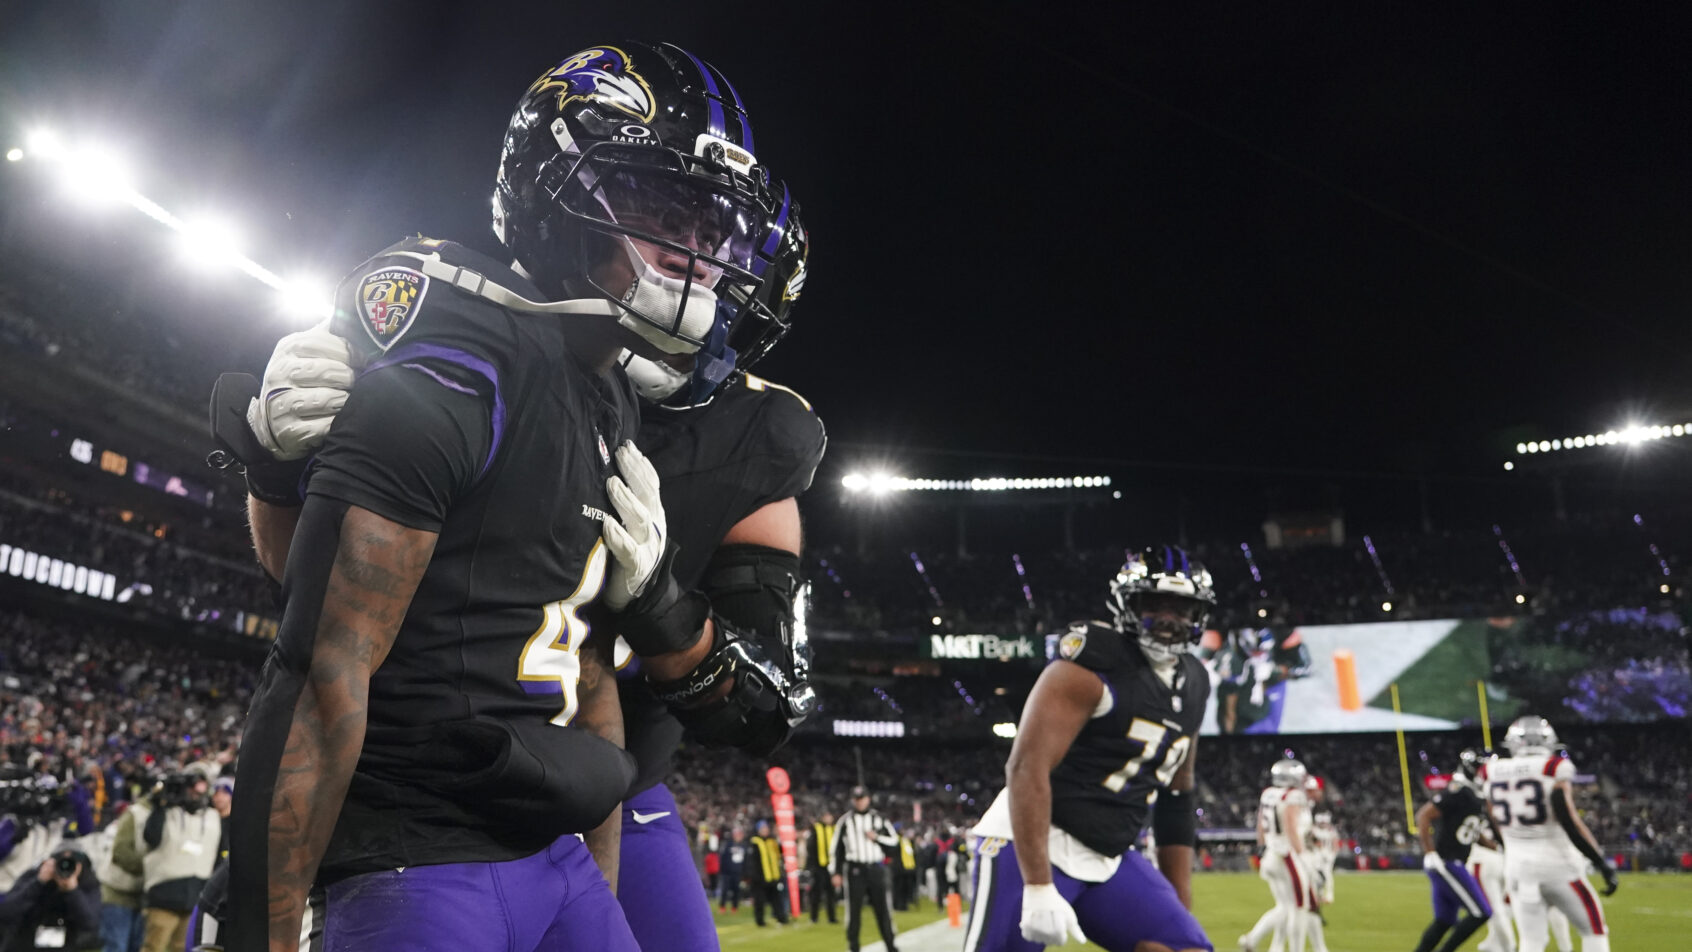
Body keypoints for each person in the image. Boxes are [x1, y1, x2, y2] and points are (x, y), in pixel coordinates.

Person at [209, 42, 820, 952]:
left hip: (573, 806)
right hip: (422, 821)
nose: (698, 257)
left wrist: (656, 602)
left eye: (714, 229)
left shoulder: (689, 413)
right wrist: (275, 474)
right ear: (556, 197)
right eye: (659, 209)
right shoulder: (467, 351)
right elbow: (317, 636)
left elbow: (731, 699)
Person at [966, 546, 1214, 952]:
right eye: (1154, 604)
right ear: (1126, 605)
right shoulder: (1093, 663)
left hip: (1108, 856)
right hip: (1033, 840)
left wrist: (1177, 901)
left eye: (1181, 608)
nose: (1168, 619)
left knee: (1185, 947)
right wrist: (1038, 885)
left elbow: (1177, 795)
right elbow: (1026, 767)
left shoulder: (1196, 683)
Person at [1484, 717, 1616, 952]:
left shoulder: (1492, 771)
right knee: (1594, 930)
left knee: (1531, 941)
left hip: (1517, 869)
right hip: (1557, 867)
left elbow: (1493, 818)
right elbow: (1569, 821)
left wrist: (1512, 845)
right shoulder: (1553, 768)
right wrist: (1600, 862)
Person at [1412, 749, 1497, 952]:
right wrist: (1430, 852)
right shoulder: (1458, 790)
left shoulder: (1475, 794)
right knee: (1481, 913)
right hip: (1447, 862)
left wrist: (1496, 848)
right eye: (1484, 769)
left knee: (1444, 920)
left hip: (1453, 861)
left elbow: (1471, 830)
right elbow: (1423, 815)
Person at [131, 773, 218, 952]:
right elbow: (151, 838)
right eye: (191, 789)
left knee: (182, 948)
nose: (194, 795)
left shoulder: (211, 816)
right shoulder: (167, 812)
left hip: (196, 895)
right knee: (154, 947)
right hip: (164, 894)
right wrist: (159, 804)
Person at [1241, 759, 1313, 952]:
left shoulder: (1269, 793)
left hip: (1271, 854)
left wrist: (1261, 848)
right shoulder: (1293, 795)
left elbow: (1260, 825)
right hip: (1286, 855)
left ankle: (1253, 941)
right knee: (1299, 907)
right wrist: (1303, 856)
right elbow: (1290, 827)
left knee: (1285, 906)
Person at [831, 786, 901, 952]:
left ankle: (890, 944)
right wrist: (836, 872)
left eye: (862, 798)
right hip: (855, 869)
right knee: (853, 910)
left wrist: (877, 838)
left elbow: (894, 841)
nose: (860, 802)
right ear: (852, 800)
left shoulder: (879, 818)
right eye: (857, 799)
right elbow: (836, 849)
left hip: (875, 867)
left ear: (868, 799)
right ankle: (853, 947)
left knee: (883, 909)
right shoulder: (845, 821)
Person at [0, 848, 101, 952]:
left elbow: (90, 924)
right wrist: (39, 882)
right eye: (60, 862)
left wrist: (72, 890)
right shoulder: (33, 876)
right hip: (23, 944)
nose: (64, 868)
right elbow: (6, 912)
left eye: (71, 864)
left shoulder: (86, 882)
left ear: (79, 867)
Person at [747, 820, 789, 927]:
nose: (765, 830)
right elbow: (752, 861)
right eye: (762, 829)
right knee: (760, 901)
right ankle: (760, 921)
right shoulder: (754, 843)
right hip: (760, 877)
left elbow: (780, 854)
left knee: (777, 899)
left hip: (773, 876)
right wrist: (755, 876)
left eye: (766, 828)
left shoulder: (772, 841)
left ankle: (781, 918)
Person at [1306, 778, 1338, 907]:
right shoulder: (1312, 810)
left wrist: (1334, 851)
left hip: (1327, 850)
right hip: (1317, 849)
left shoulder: (1329, 826)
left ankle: (1329, 895)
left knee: (1327, 873)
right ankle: (1318, 894)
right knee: (1316, 872)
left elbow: (1334, 837)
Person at [806, 811, 839, 923]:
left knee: (831, 893)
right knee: (816, 893)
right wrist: (812, 866)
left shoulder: (834, 829)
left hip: (831, 867)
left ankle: (832, 917)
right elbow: (810, 848)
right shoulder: (816, 829)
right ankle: (814, 917)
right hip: (819, 867)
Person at [718, 828, 747, 913]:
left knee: (736, 890)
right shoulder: (728, 844)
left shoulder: (744, 846)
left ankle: (734, 907)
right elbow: (723, 858)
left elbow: (745, 860)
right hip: (727, 872)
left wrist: (744, 872)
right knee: (725, 890)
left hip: (738, 872)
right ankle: (722, 906)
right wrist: (723, 870)